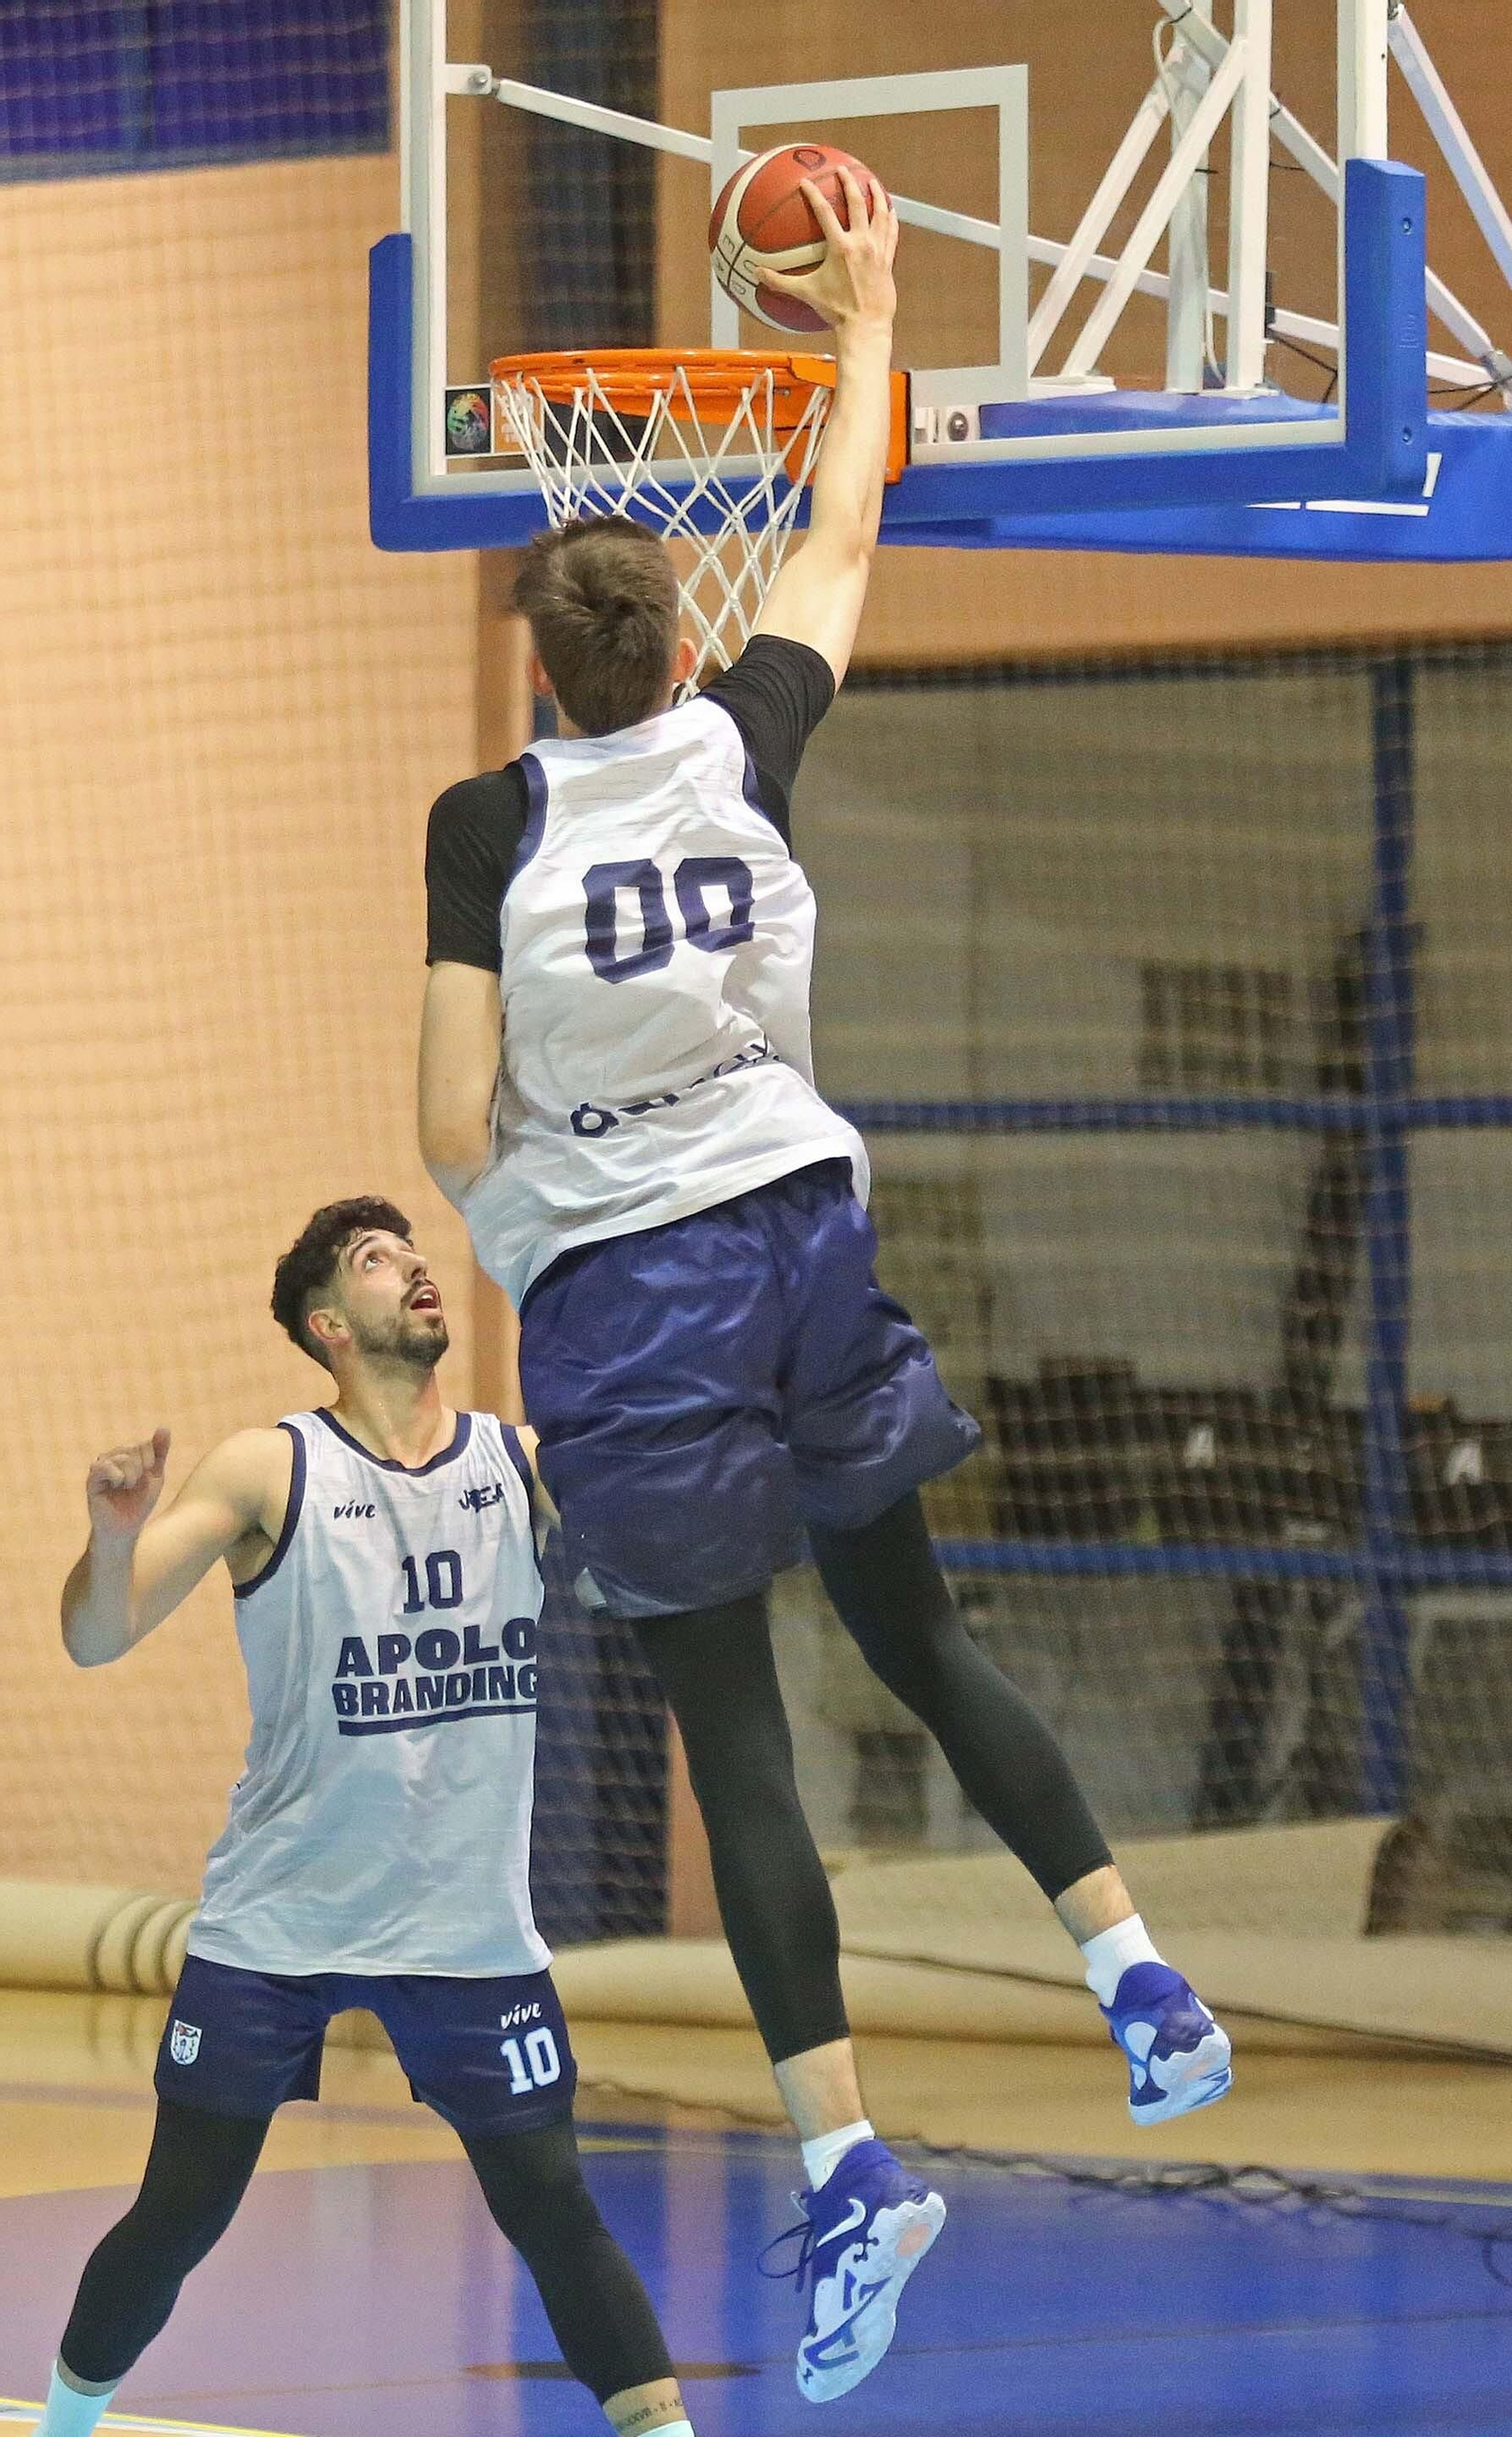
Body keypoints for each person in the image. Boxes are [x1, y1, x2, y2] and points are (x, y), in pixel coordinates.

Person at [418, 172, 1231, 2402]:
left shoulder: (486, 830)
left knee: (740, 1747)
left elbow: (441, 1120)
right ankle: (1138, 1968)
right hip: (804, 1234)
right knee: (917, 1628)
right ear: (677, 639)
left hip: (639, 1303)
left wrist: (545, 1176)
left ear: (536, 668)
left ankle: (850, 2161)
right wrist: (870, 305)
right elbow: (846, 528)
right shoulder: (743, 740)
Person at [43, 1197, 695, 2437]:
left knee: (555, 2207)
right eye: (376, 1260)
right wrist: (109, 1539)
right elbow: (95, 1636)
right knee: (179, 2215)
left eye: (412, 1249)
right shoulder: (268, 1467)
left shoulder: (522, 1464)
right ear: (328, 1324)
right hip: (278, 1922)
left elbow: (657, 1559)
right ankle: (64, 2424)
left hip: (467, 1931)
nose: (415, 1269)